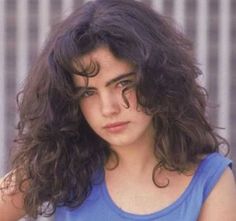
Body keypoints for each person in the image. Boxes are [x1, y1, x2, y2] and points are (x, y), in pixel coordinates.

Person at [1, 0, 236, 220]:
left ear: (159, 79)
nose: (108, 108)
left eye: (123, 83)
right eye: (88, 93)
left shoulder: (211, 180)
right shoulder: (56, 165)